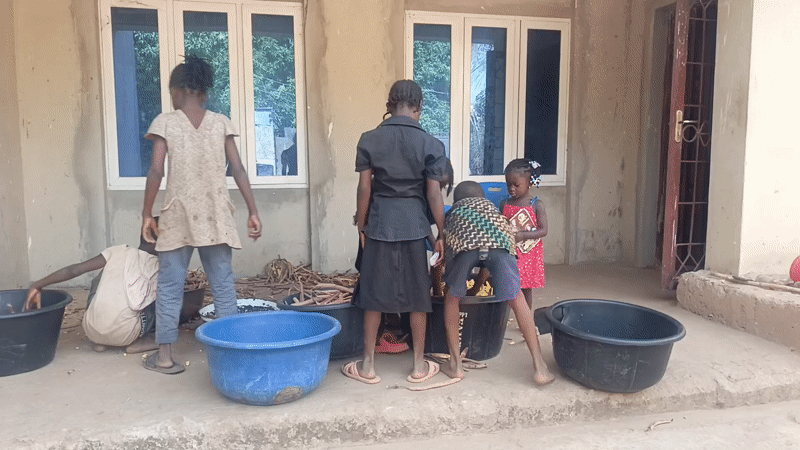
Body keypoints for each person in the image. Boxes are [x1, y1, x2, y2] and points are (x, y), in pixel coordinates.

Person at [141, 54, 262, 374]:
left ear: (179, 91)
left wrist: (146, 215)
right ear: (204, 93)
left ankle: (165, 357)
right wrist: (253, 210)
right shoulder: (221, 123)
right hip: (215, 215)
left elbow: (156, 172)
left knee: (169, 287)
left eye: (171, 92)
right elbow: (238, 169)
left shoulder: (165, 122)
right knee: (223, 286)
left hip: (178, 215)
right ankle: (234, 355)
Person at [343, 80, 447, 384]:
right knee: (418, 295)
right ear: (418, 108)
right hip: (415, 226)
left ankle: (368, 365)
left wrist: (362, 224)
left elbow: (364, 188)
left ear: (390, 105)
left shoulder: (369, 139)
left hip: (379, 223)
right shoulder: (431, 144)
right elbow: (434, 195)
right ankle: (417, 366)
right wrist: (441, 232)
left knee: (372, 294)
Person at [440, 181, 554, 385]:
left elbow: (450, 259)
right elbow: (487, 260)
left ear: (457, 200)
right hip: (501, 243)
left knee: (452, 297)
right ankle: (540, 367)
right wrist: (478, 286)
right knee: (516, 296)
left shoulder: (454, 214)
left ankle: (455, 365)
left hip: (465, 245)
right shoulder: (493, 211)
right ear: (482, 198)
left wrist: (453, 283)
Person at [23, 232, 160, 354]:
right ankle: (146, 341)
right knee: (164, 295)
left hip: (91, 329)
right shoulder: (158, 264)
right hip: (127, 333)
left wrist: (37, 285)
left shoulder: (118, 251)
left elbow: (74, 270)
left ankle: (100, 341)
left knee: (100, 277)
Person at [500, 159, 548, 311]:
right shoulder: (505, 203)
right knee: (507, 283)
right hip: (510, 252)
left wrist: (522, 235)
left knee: (526, 287)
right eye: (508, 184)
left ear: (529, 183)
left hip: (529, 254)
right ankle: (504, 315)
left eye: (516, 185)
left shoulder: (536, 205)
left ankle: (526, 317)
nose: (511, 189)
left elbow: (544, 230)